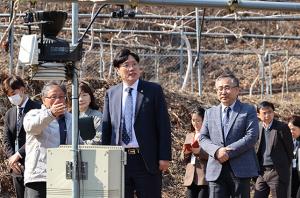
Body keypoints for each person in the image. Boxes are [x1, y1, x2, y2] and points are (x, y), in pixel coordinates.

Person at [101, 48, 172, 198]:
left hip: (146, 159)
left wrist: (164, 156)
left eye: (134, 64)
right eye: (126, 65)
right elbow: (107, 127)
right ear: (117, 70)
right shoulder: (111, 94)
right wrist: (104, 156)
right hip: (119, 159)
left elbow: (163, 125)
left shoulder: (153, 90)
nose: (131, 68)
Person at [199, 71, 259, 198]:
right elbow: (203, 137)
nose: (223, 92)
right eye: (219, 89)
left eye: (227, 88)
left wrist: (227, 152)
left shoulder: (248, 110)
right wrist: (216, 151)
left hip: (241, 169)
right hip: (216, 169)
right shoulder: (210, 113)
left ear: (237, 90)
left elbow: (252, 136)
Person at [23, 81, 75, 198]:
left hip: (64, 176)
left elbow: (78, 143)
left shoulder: (71, 119)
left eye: (61, 97)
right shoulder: (34, 114)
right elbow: (31, 127)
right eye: (53, 97)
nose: (58, 100)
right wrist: (51, 113)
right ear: (43, 99)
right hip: (39, 177)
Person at [2, 75, 41, 198]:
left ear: (22, 89)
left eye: (13, 93)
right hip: (16, 167)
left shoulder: (38, 108)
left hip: (34, 164)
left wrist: (18, 154)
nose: (11, 97)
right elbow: (6, 139)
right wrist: (12, 158)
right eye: (8, 95)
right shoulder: (10, 113)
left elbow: (36, 136)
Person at [254, 101, 293, 198]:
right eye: (264, 113)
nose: (267, 115)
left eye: (270, 112)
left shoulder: (282, 127)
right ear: (258, 115)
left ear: (273, 112)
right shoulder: (257, 127)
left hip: (277, 171)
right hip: (261, 171)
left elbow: (289, 150)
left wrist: (282, 169)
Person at [181, 106, 208, 198]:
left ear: (204, 121)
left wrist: (199, 151)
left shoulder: (209, 136)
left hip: (204, 177)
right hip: (190, 177)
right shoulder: (189, 135)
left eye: (198, 121)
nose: (195, 123)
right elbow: (183, 158)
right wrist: (186, 152)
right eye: (193, 120)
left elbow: (212, 155)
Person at [288, 115, 300, 198]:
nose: (291, 131)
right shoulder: (290, 141)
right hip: (292, 174)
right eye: (289, 129)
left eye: (293, 129)